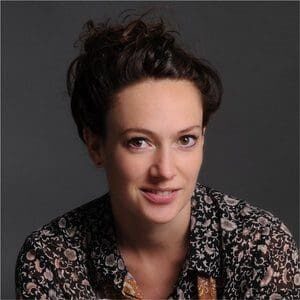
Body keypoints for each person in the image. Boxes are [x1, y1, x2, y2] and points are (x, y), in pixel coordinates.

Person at [15, 15, 299, 299]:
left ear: (203, 138)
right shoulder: (51, 257)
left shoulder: (260, 245)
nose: (164, 170)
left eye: (185, 140)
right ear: (95, 146)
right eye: (139, 142)